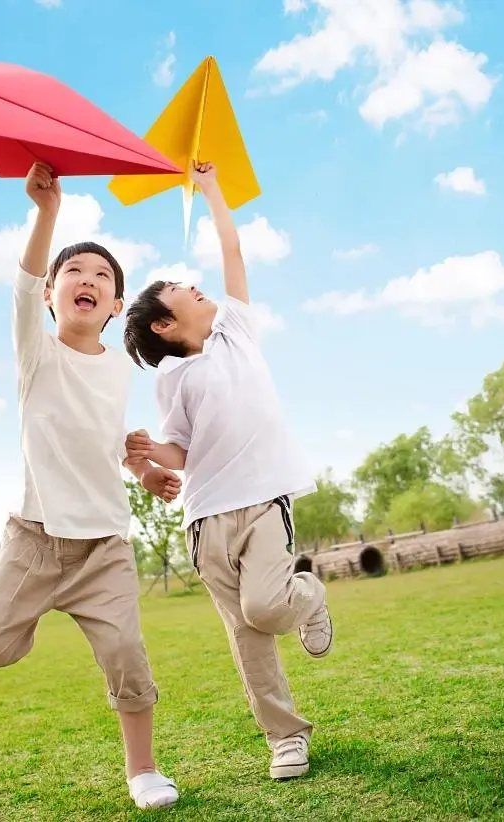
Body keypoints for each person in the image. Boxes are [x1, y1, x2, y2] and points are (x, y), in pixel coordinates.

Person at [0, 163, 180, 810]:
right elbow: (21, 287)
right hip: (34, 541)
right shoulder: (36, 352)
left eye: (102, 276)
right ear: (53, 296)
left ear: (116, 306)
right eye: (73, 273)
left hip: (103, 546)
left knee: (126, 655)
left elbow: (109, 445)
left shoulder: (119, 370)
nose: (86, 279)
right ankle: (32, 608)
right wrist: (46, 214)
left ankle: (142, 770)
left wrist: (145, 470)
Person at [123, 162, 333, 780]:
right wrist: (144, 455)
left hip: (265, 502)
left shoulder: (237, 330)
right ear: (166, 324)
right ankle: (285, 738)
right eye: (181, 289)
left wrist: (212, 188)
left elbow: (231, 247)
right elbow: (182, 452)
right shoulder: (171, 378)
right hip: (204, 520)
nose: (196, 286)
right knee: (248, 637)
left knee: (269, 607)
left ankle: (311, 595)